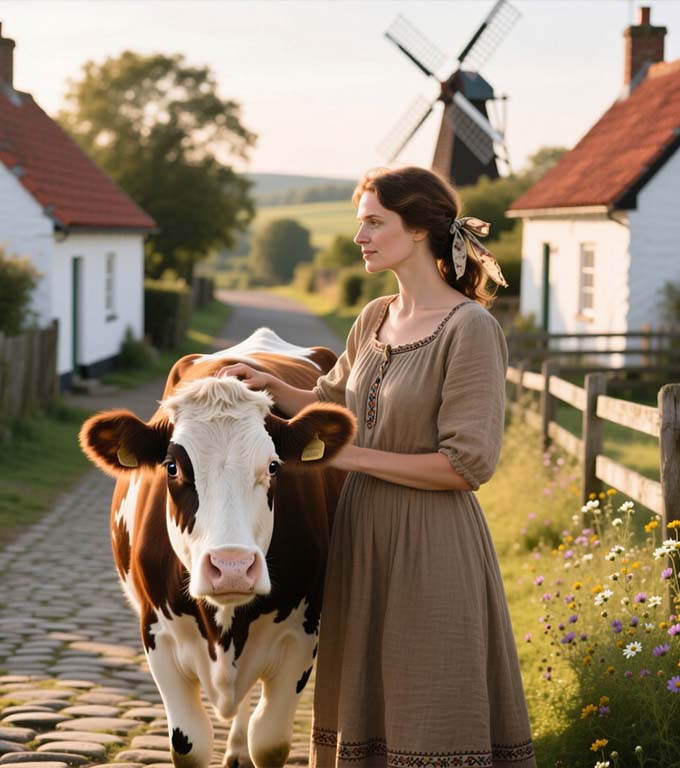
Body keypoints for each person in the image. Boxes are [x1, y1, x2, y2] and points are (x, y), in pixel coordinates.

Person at [219, 166, 536, 768]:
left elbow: (468, 465)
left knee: (431, 695)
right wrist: (270, 387)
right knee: (366, 701)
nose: (359, 235)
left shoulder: (471, 328)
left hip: (433, 543)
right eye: (359, 221)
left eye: (373, 221)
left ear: (417, 229)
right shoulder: (375, 316)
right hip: (361, 532)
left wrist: (348, 455)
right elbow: (334, 399)